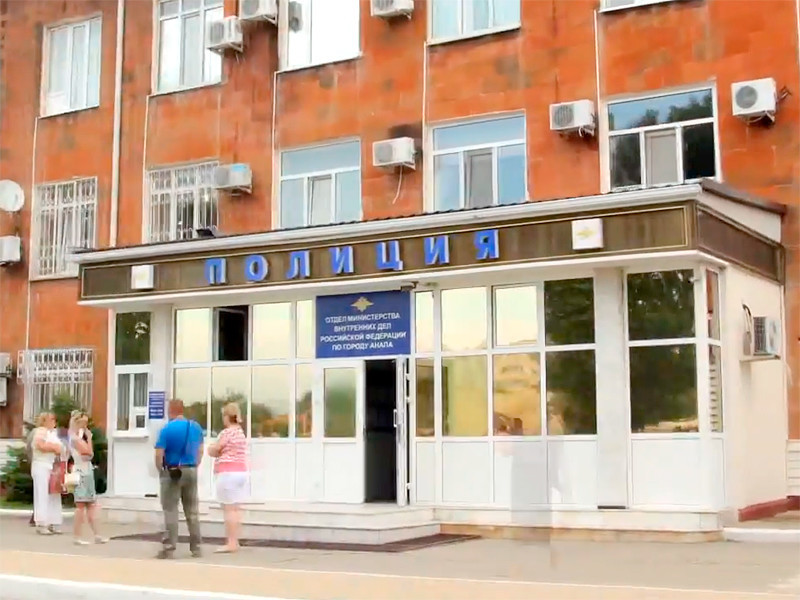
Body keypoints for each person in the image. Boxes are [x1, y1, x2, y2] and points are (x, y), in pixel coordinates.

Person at [154, 399, 204, 559]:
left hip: (172, 471)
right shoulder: (195, 427)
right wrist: (194, 465)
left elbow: (159, 453)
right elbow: (200, 451)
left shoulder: (166, 429)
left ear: (170, 410)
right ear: (183, 409)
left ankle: (169, 547)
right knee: (192, 510)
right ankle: (196, 547)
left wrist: (161, 470)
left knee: (170, 510)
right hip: (191, 470)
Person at [208, 402, 249, 554]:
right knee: (235, 508)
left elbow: (215, 450)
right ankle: (235, 540)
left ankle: (231, 543)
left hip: (227, 473)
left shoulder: (227, 433)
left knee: (229, 509)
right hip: (240, 472)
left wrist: (211, 448)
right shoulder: (240, 433)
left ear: (227, 416)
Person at [68, 410, 109, 545]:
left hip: (87, 470)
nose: (85, 426)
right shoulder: (75, 438)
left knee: (91, 504)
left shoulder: (77, 437)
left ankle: (97, 534)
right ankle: (77, 536)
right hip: (81, 472)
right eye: (83, 423)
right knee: (80, 505)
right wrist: (89, 439)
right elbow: (88, 452)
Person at [30, 412, 64, 535]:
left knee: (54, 493)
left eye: (54, 419)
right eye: (51, 419)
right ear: (44, 421)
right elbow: (40, 445)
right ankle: (41, 523)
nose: (54, 422)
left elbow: (61, 449)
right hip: (41, 464)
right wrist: (54, 447)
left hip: (52, 465)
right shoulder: (41, 431)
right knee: (42, 494)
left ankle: (53, 522)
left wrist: (57, 449)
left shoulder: (52, 433)